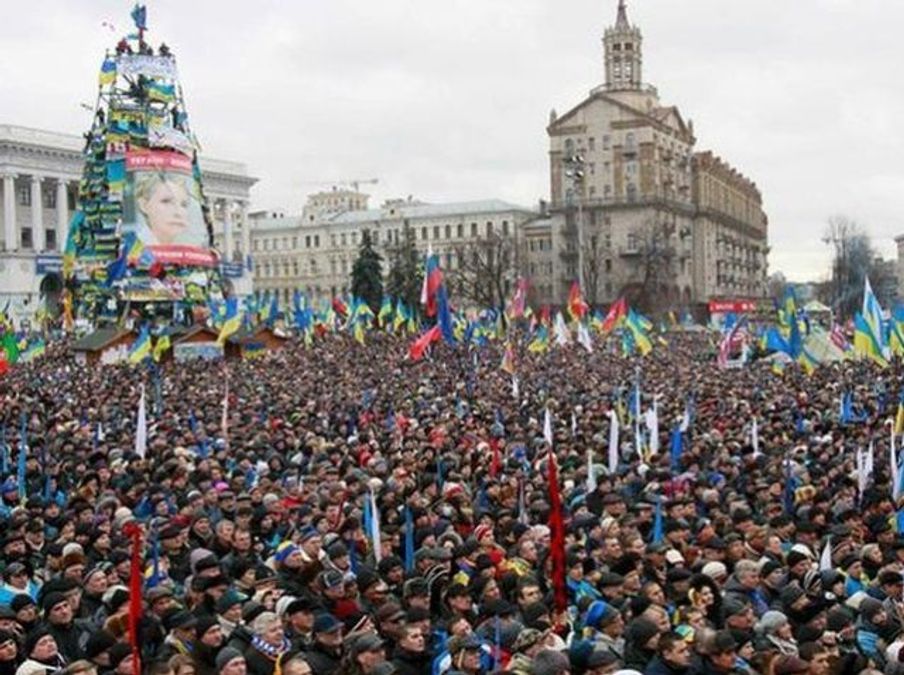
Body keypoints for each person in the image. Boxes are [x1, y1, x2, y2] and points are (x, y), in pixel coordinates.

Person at [133, 172, 197, 246]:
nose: (178, 212)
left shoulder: (187, 247)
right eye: (166, 201)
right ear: (144, 205)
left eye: (184, 205)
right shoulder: (132, 249)